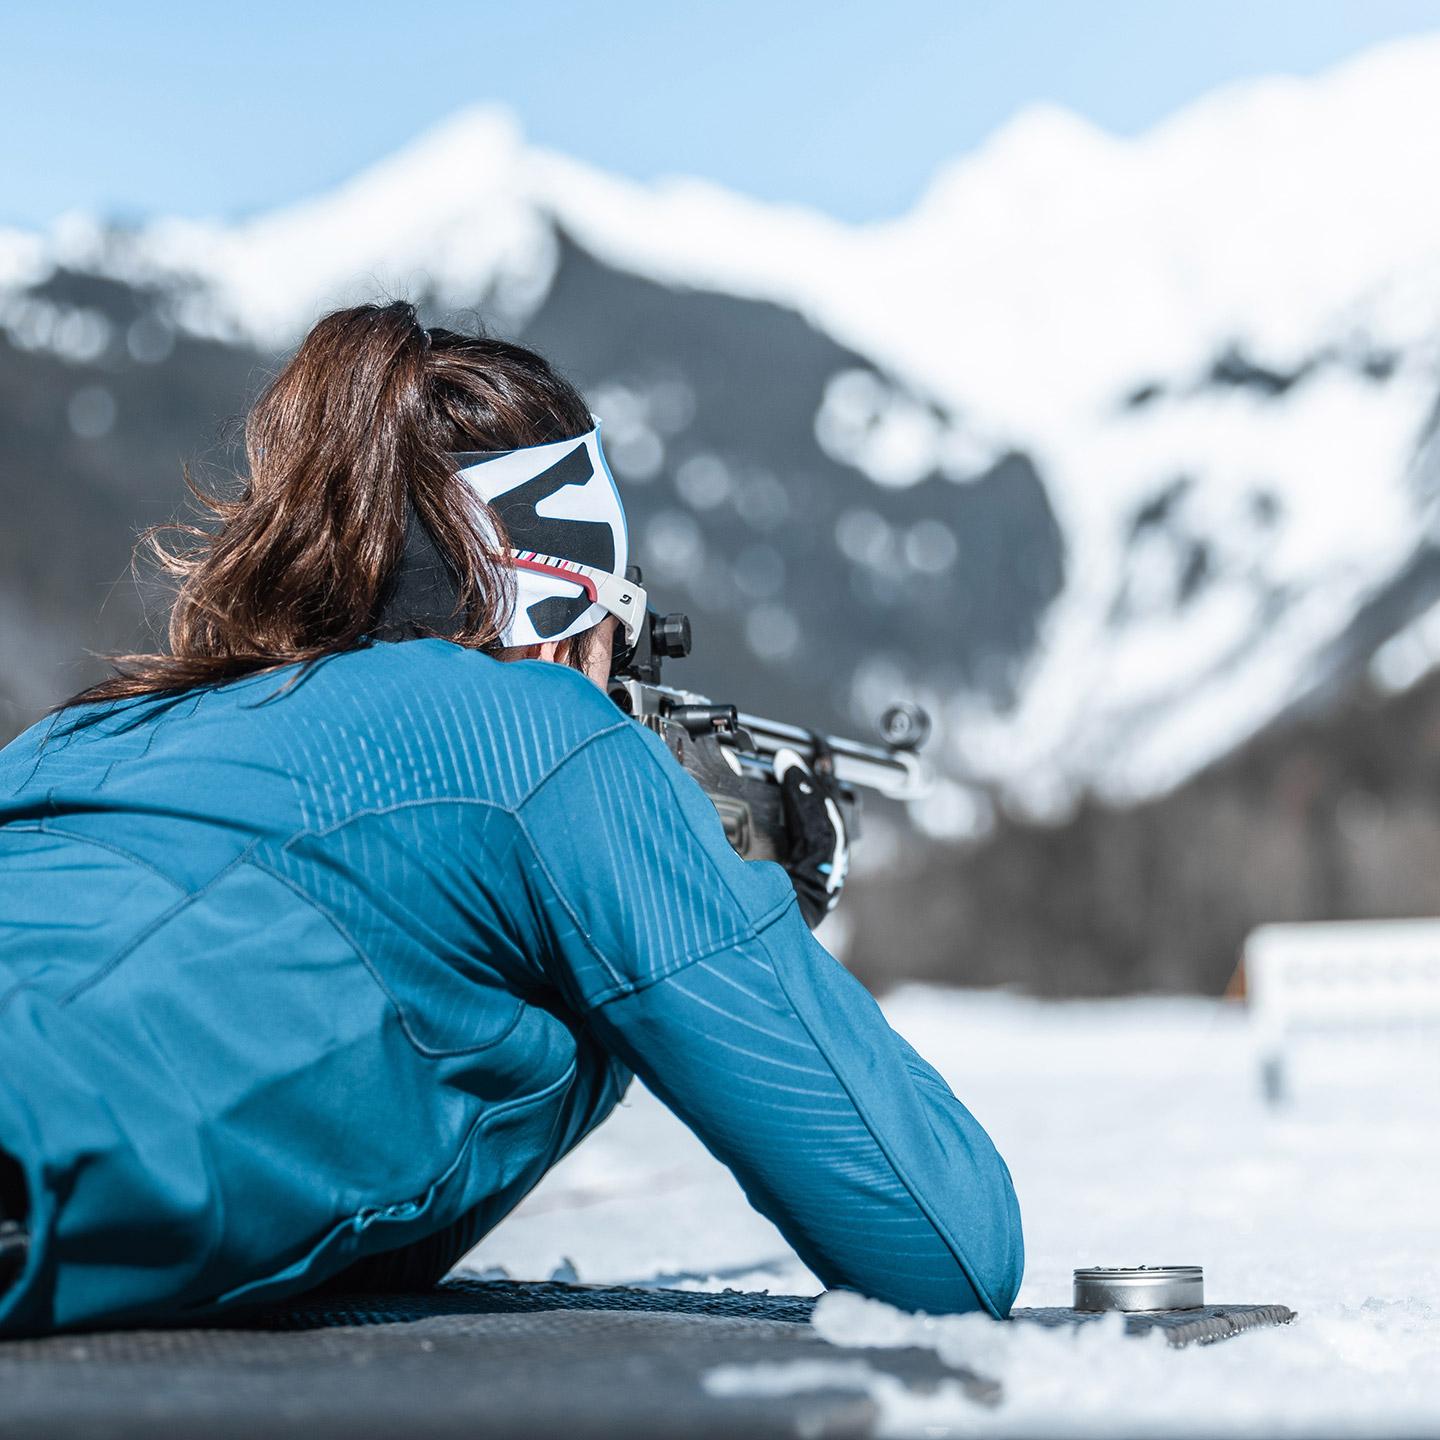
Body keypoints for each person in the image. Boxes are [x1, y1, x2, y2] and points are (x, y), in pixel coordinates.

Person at [0, 302, 1023, 1337]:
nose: (613, 687)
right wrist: (688, 909)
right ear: (560, 617)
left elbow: (319, 1228)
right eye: (616, 645)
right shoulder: (537, 731)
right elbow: (951, 1249)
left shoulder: (71, 743)